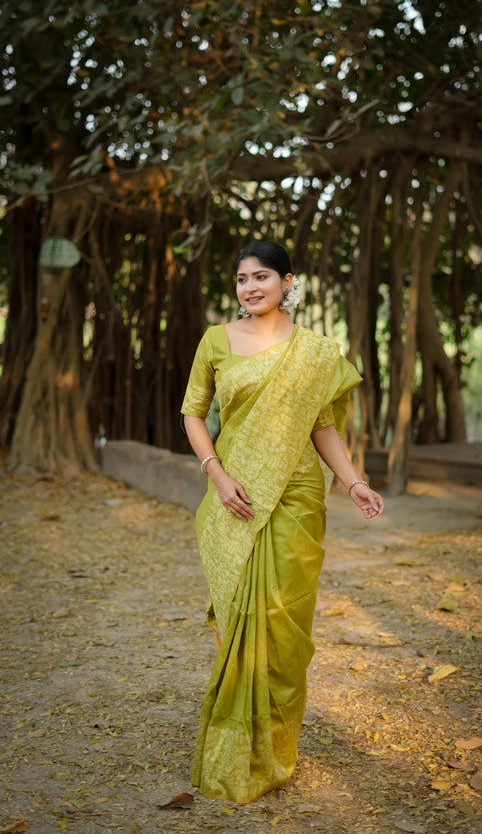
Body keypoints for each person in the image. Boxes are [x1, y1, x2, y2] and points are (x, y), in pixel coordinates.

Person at [181, 240, 384, 804]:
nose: (250, 287)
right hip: (236, 494)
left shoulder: (315, 351)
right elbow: (193, 413)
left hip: (297, 496)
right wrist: (217, 475)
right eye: (242, 279)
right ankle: (233, 752)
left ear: (287, 282)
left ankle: (273, 748)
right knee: (242, 620)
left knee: (285, 625)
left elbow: (323, 427)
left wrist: (354, 481)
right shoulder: (217, 340)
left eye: (262, 276)